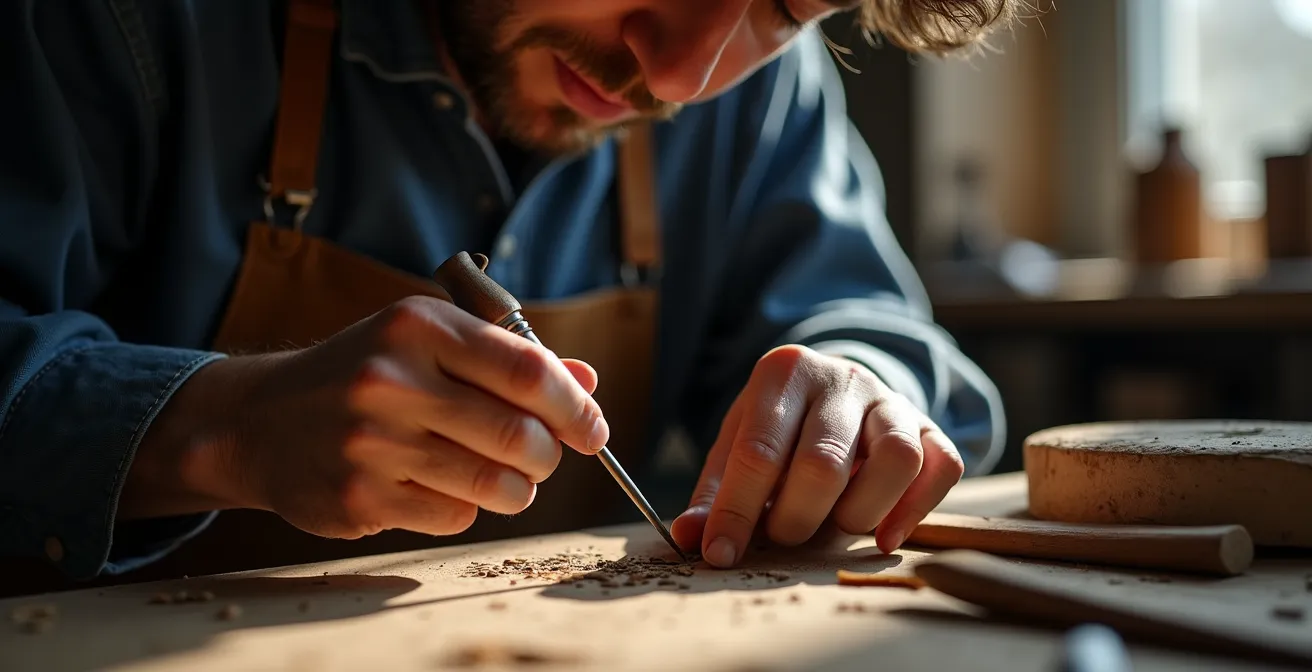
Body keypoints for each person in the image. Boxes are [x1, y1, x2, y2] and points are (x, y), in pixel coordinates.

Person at [0, 0, 1013, 588]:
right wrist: (223, 431)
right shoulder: (125, 23)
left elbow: (869, 329)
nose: (680, 71)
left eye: (784, 10)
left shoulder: (753, 96)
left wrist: (860, 393)